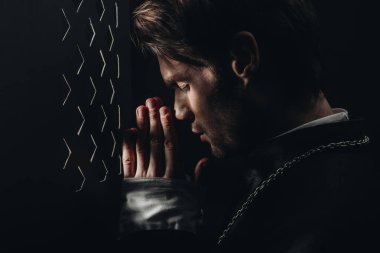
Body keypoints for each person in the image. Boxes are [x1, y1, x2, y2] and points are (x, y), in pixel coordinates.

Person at [119, 0, 380, 251]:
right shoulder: (286, 174)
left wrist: (158, 235)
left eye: (184, 86)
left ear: (243, 59)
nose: (178, 111)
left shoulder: (327, 216)